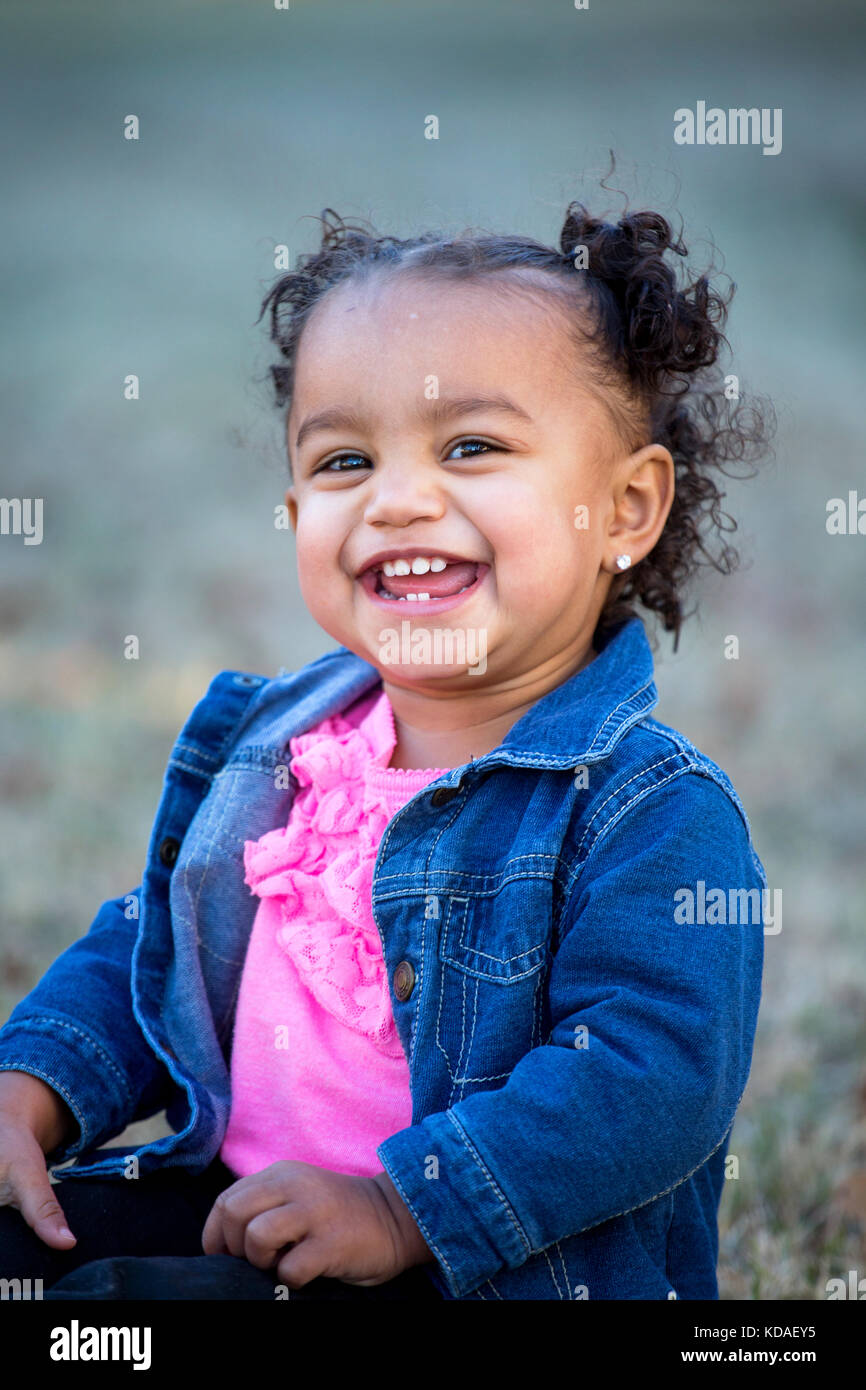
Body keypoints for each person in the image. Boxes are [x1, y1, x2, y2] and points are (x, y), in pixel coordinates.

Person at [0, 198, 774, 1300]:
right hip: (242, 1207)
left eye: (470, 445)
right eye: (344, 460)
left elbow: (652, 1080)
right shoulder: (284, 747)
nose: (399, 498)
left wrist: (402, 1206)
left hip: (480, 1265)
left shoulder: (648, 809)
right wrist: (32, 1081)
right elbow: (153, 947)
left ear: (624, 507)